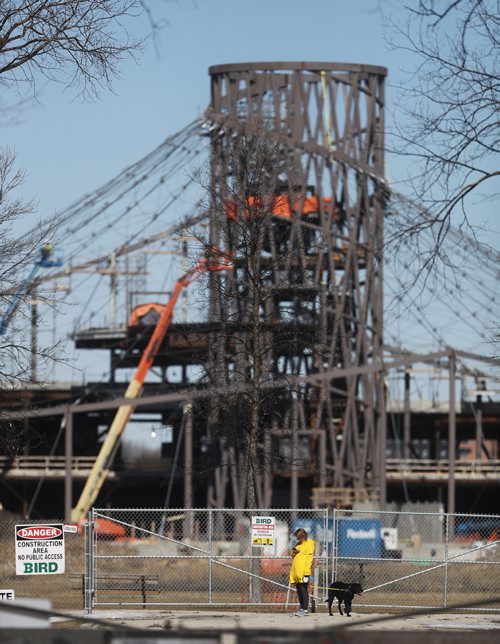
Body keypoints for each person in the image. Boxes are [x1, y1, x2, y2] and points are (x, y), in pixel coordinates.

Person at [289, 527, 315, 617]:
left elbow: (309, 558)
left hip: (304, 572)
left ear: (303, 536)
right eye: (297, 538)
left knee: (304, 590)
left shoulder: (309, 544)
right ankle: (301, 608)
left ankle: (305, 609)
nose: (298, 539)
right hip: (296, 572)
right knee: (299, 590)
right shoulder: (298, 544)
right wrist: (294, 552)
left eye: (299, 538)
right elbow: (293, 557)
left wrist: (306, 571)